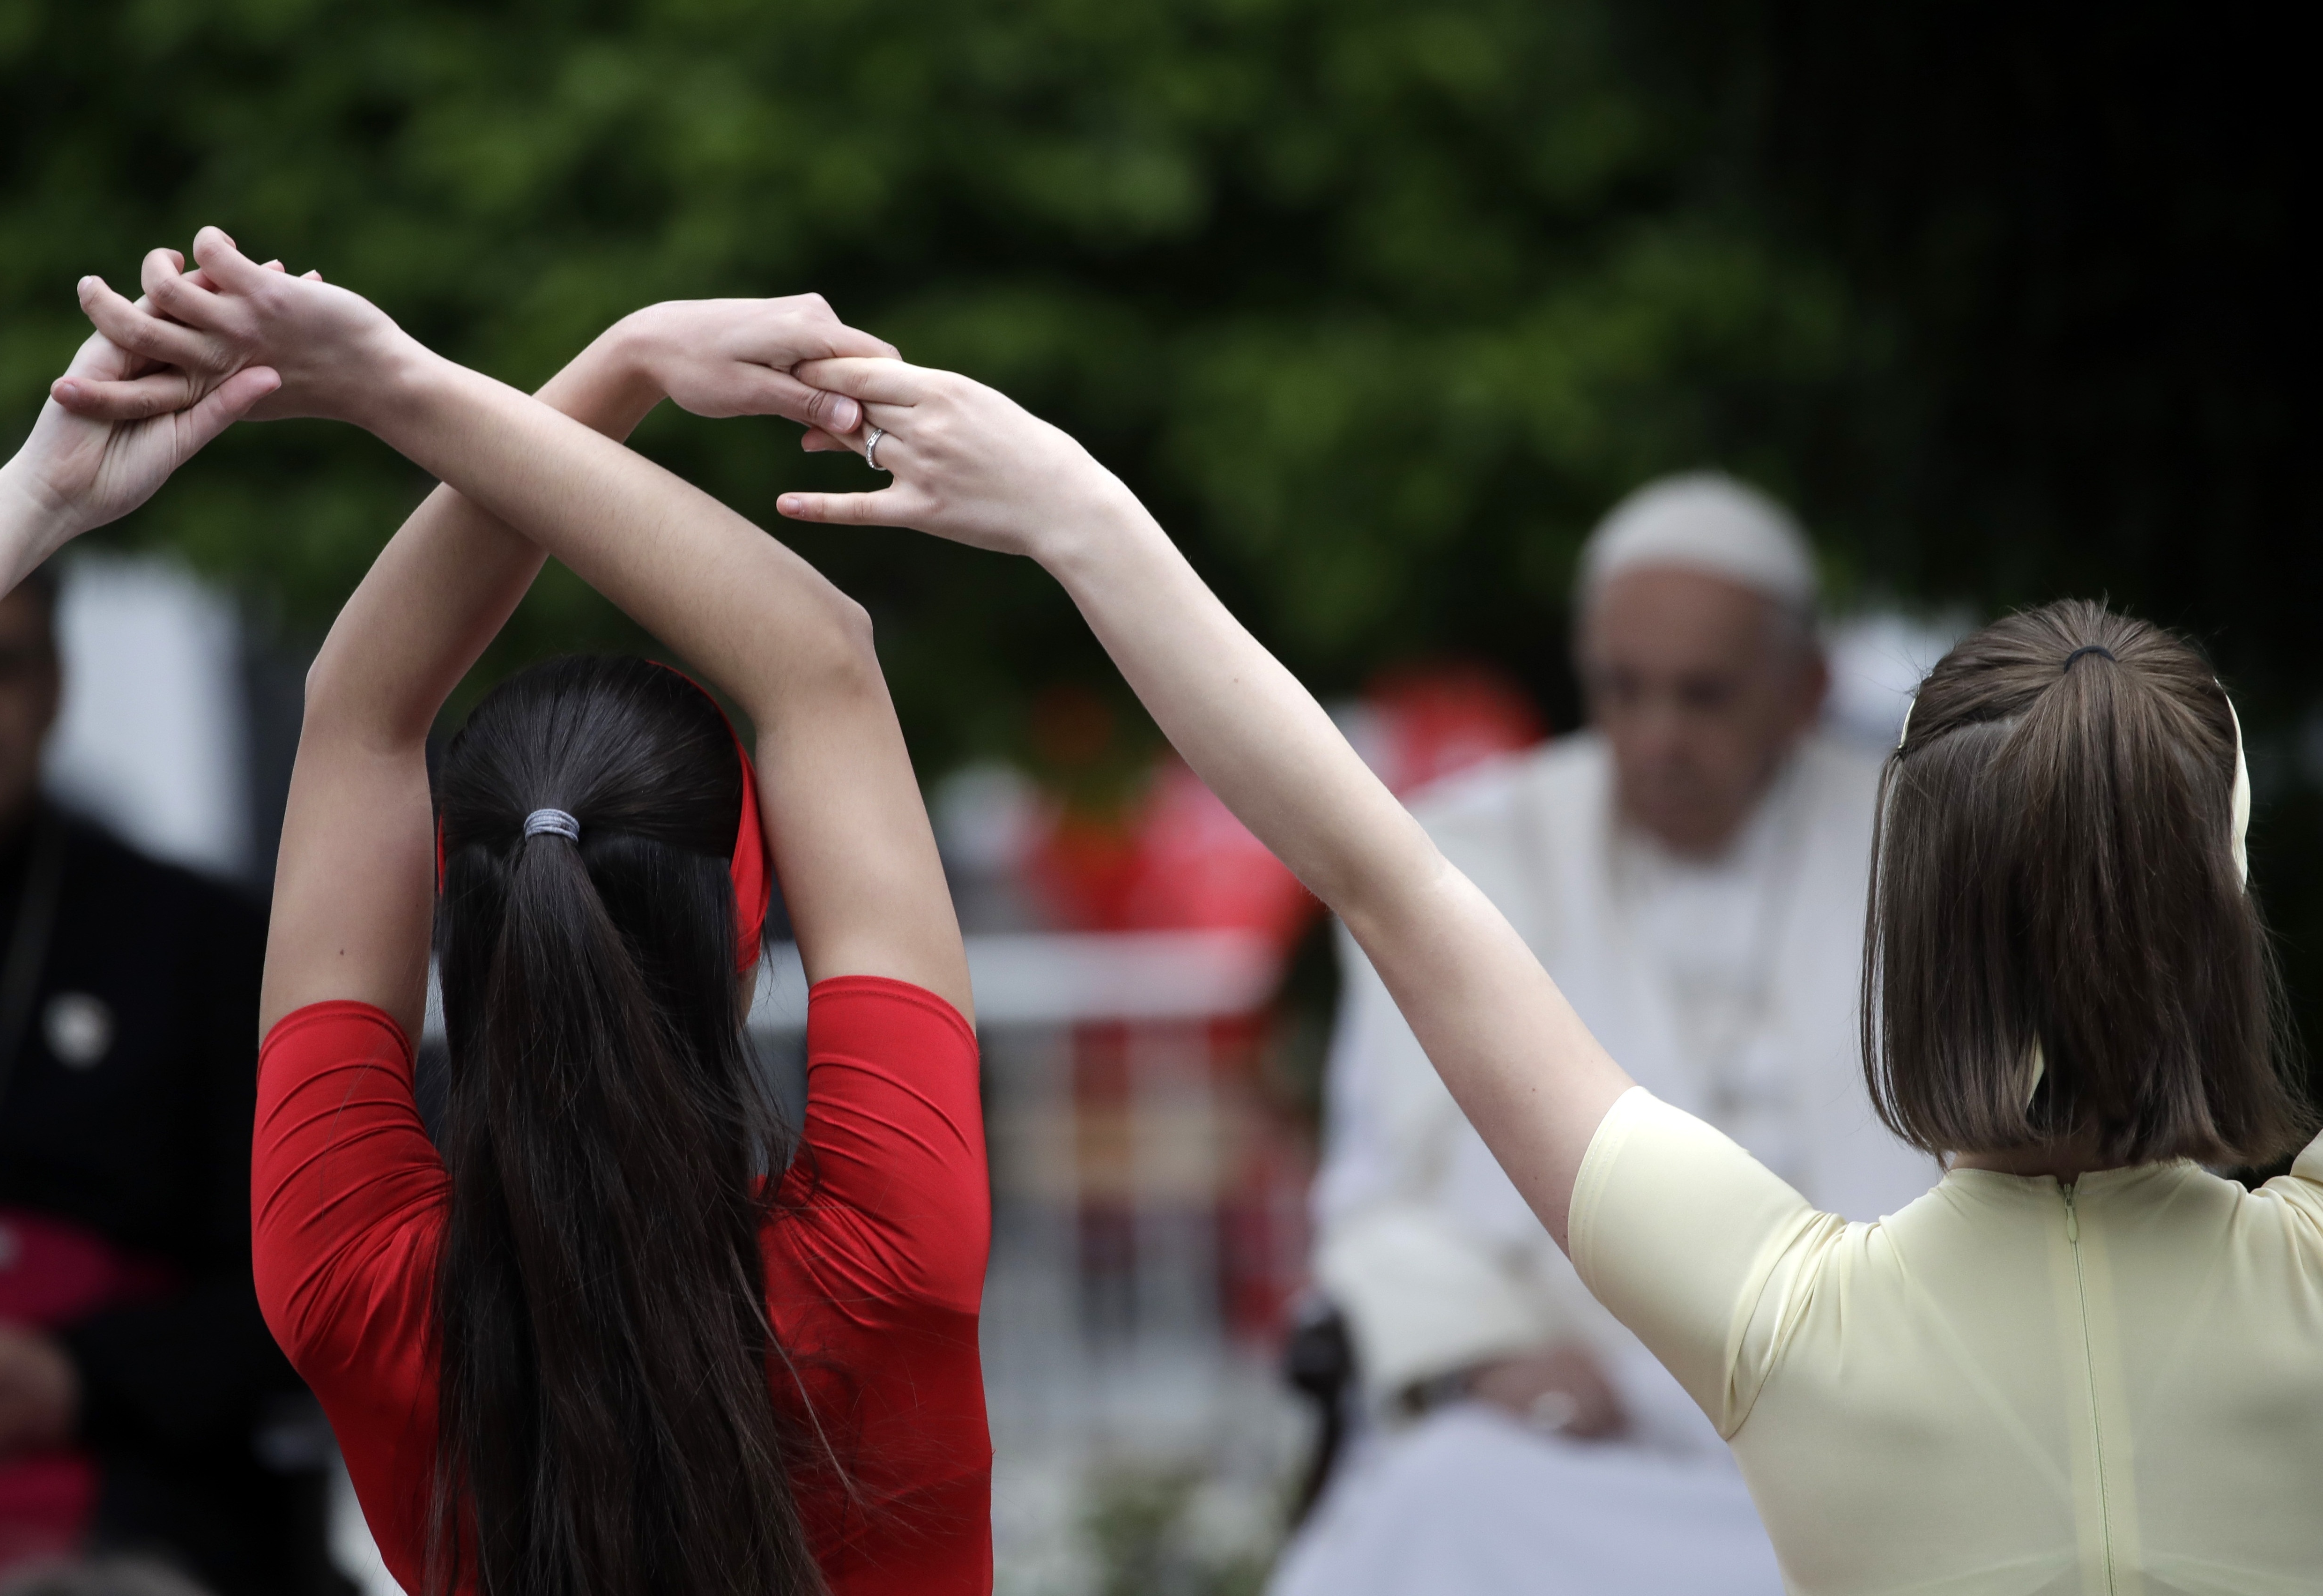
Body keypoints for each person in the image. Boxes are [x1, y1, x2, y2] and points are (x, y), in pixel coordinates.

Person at [777, 356, 2322, 1591]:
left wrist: (1077, 513)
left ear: (1903, 924)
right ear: (2225, 902)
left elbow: (1380, 872)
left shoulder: (1785, 1315)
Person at [60, 231, 992, 1596]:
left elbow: (363, 718)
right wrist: (473, 376)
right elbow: (818, 668)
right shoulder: (888, 1256)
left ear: (454, 902)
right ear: (744, 918)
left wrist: (585, 368)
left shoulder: (352, 1279)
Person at [1276, 476, 1937, 1592]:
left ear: (1803, 687)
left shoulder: (1929, 847)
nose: (1656, 738)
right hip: (1589, 1444)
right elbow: (1377, 1191)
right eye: (1621, 692)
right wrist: (1489, 1358)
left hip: (1882, 1437)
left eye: (1703, 696)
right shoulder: (1462, 856)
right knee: (1447, 1499)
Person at [0, 307, 288, 1596]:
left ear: (57, 687)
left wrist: (80, 1372)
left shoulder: (193, 937)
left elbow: (292, 1276)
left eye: (2, 668)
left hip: (132, 1503)